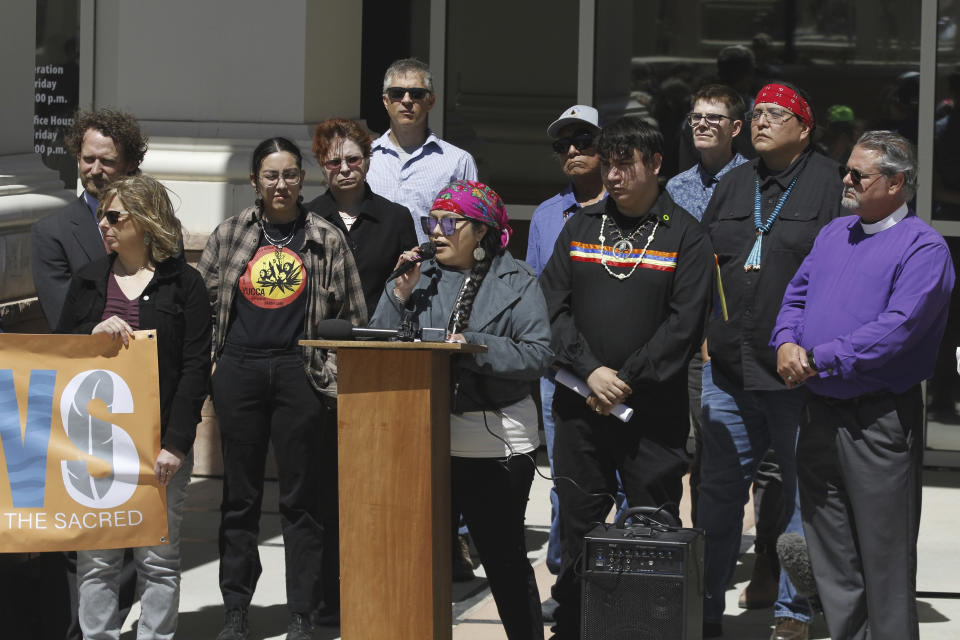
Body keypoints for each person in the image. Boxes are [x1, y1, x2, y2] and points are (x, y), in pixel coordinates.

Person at [772, 131, 955, 640]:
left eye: (859, 174)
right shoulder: (836, 233)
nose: (846, 180)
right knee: (831, 557)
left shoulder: (924, 247)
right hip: (820, 412)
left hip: (877, 420)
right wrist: (786, 341)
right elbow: (796, 294)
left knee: (885, 558)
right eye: (846, 171)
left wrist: (819, 358)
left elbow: (899, 327)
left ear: (896, 183)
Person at [539, 117, 714, 639]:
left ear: (656, 165)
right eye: (609, 164)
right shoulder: (580, 227)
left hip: (652, 413)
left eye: (625, 164)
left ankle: (647, 625)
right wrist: (591, 371)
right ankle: (573, 622)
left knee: (652, 525)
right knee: (577, 520)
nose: (612, 175)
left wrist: (625, 380)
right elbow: (551, 307)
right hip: (579, 406)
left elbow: (684, 326)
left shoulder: (687, 235)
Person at [197, 137, 367, 640]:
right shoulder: (230, 235)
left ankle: (301, 614)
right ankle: (236, 608)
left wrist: (331, 374)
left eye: (290, 174)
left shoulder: (326, 237)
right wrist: (214, 365)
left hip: (301, 371)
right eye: (270, 175)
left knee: (300, 499)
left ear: (302, 179)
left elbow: (353, 318)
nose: (281, 184)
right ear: (254, 181)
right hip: (240, 369)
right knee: (240, 496)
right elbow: (201, 304)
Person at [371, 180, 552, 640]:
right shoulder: (420, 277)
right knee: (420, 561)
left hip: (496, 442)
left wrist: (476, 346)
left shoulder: (517, 280)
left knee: (503, 559)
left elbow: (537, 353)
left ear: (483, 231)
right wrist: (398, 295)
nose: (437, 231)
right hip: (425, 438)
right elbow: (375, 343)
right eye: (432, 222)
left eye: (450, 222)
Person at [698, 82, 843, 640]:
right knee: (718, 494)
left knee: (804, 495)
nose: (760, 122)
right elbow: (707, 263)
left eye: (775, 115)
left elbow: (845, 275)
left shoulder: (832, 184)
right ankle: (707, 606)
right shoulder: (734, 183)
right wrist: (705, 336)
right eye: (756, 114)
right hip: (729, 369)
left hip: (795, 373)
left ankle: (794, 612)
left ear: (804, 128)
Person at [56, 174, 211, 640]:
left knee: (158, 560)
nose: (103, 223)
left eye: (114, 215)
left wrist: (177, 445)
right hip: (94, 445)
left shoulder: (184, 284)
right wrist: (90, 338)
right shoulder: (88, 282)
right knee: (97, 559)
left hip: (158, 447)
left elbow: (195, 369)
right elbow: (56, 358)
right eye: (103, 214)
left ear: (144, 222)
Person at [668, 83, 782, 611]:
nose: (703, 124)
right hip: (694, 348)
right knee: (710, 460)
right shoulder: (674, 188)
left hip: (749, 347)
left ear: (738, 128)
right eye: (696, 117)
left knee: (768, 468)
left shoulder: (756, 181)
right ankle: (705, 577)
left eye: (714, 118)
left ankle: (766, 564)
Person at [303, 118, 417, 625]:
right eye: (334, 161)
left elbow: (410, 290)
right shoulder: (305, 219)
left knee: (376, 486)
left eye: (353, 159)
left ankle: (377, 588)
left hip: (378, 365)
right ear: (321, 166)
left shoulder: (395, 219)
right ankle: (328, 597)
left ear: (368, 161)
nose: (345, 169)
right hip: (322, 369)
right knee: (326, 488)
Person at [525, 104, 606, 614]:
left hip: (614, 366)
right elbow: (536, 293)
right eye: (563, 146)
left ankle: (609, 583)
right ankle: (566, 582)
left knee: (614, 480)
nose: (572, 151)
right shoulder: (546, 214)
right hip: (558, 371)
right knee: (566, 483)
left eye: (583, 141)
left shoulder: (627, 206)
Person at [33, 109, 148, 331]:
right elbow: (62, 318)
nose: (94, 170)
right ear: (77, 156)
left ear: (131, 163)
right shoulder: (52, 233)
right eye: (88, 159)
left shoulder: (158, 227)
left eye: (107, 161)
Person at [366, 57, 478, 244]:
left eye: (416, 94)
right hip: (374, 271)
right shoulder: (364, 158)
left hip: (434, 271)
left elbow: (469, 228)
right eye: (397, 93)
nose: (407, 100)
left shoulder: (458, 162)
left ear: (431, 101)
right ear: (386, 101)